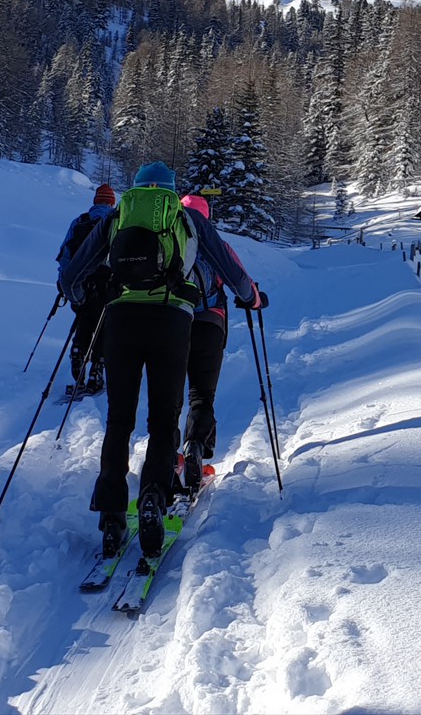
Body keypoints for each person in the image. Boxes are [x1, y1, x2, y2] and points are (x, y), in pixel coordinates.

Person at [59, 162, 256, 559]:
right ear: (170, 188)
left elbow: (72, 274)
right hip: (172, 321)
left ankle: (113, 513)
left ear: (136, 189)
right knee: (164, 417)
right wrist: (250, 296)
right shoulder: (186, 218)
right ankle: (153, 498)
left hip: (121, 320)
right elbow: (228, 267)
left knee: (119, 418)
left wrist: (82, 299)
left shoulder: (117, 214)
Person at [177, 192, 263, 492]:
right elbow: (240, 280)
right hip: (209, 324)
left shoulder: (171, 240)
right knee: (201, 394)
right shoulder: (214, 242)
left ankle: (164, 456)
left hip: (173, 323)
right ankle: (194, 447)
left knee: (170, 392)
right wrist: (254, 300)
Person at [54, 184, 116, 395]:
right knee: (103, 325)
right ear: (112, 202)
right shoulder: (116, 221)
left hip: (80, 282)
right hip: (107, 283)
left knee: (84, 319)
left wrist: (63, 280)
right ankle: (97, 368)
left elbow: (66, 252)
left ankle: (79, 352)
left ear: (95, 201)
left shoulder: (80, 221)